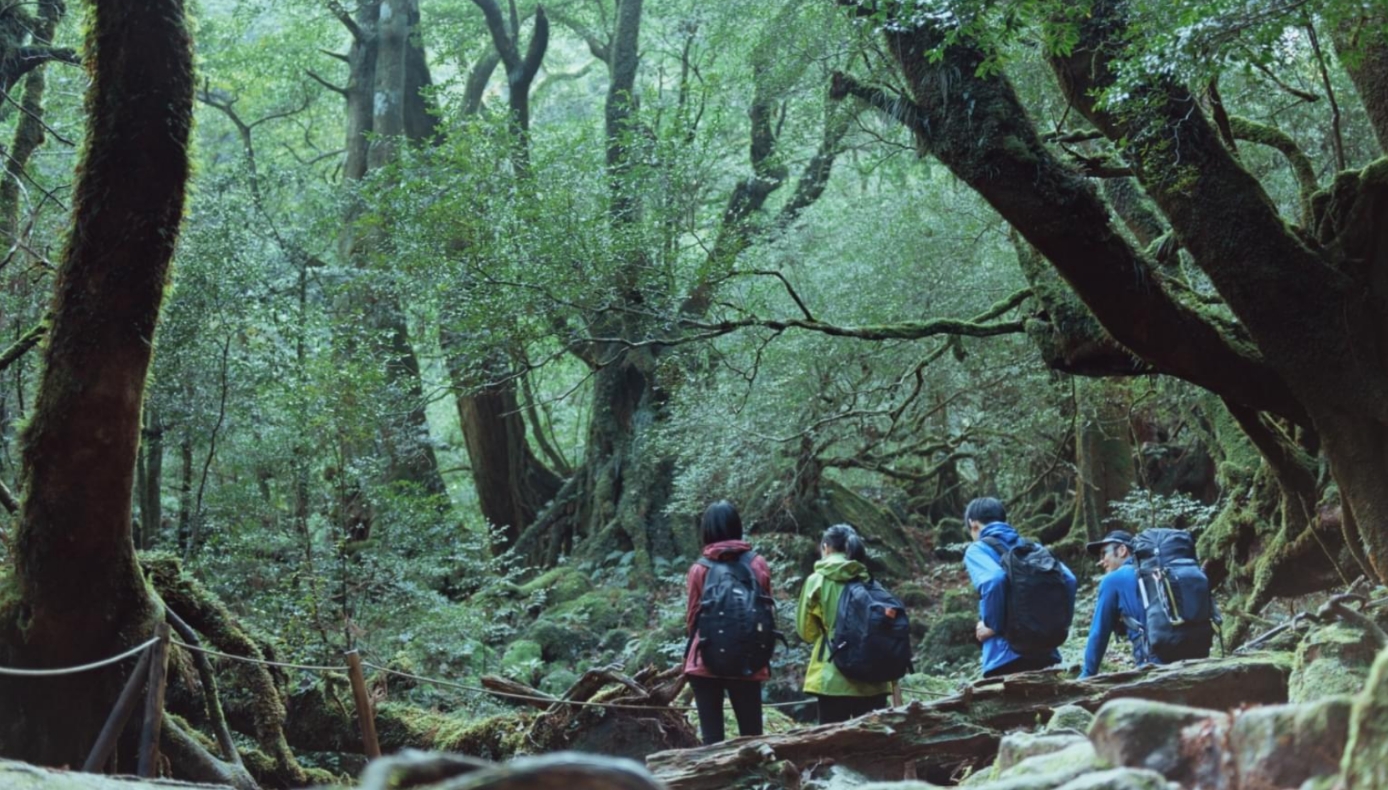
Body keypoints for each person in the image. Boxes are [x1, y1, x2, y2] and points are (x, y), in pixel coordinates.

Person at [683, 500, 770, 744]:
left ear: (707, 530)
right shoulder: (757, 564)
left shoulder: (700, 569)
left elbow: (693, 617)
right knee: (752, 737)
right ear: (737, 526)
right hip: (748, 660)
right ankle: (756, 779)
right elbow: (766, 609)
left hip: (705, 660)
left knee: (712, 740)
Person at [964, 497, 1077, 678]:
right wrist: (1060, 623)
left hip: (1004, 654)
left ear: (973, 524)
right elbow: (1069, 579)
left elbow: (994, 580)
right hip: (1045, 649)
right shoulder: (1032, 547)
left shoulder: (978, 549)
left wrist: (993, 626)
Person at [796, 524, 893, 723]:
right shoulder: (868, 579)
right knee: (871, 745)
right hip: (873, 675)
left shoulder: (817, 581)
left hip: (831, 675)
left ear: (825, 547)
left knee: (832, 746)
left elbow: (806, 632)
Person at [1080, 529, 1153, 679]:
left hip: (1154, 664)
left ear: (1122, 550)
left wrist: (1087, 674)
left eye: (1104, 553)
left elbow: (1099, 633)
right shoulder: (1157, 572)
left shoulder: (1114, 580)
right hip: (1195, 654)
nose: (1101, 561)